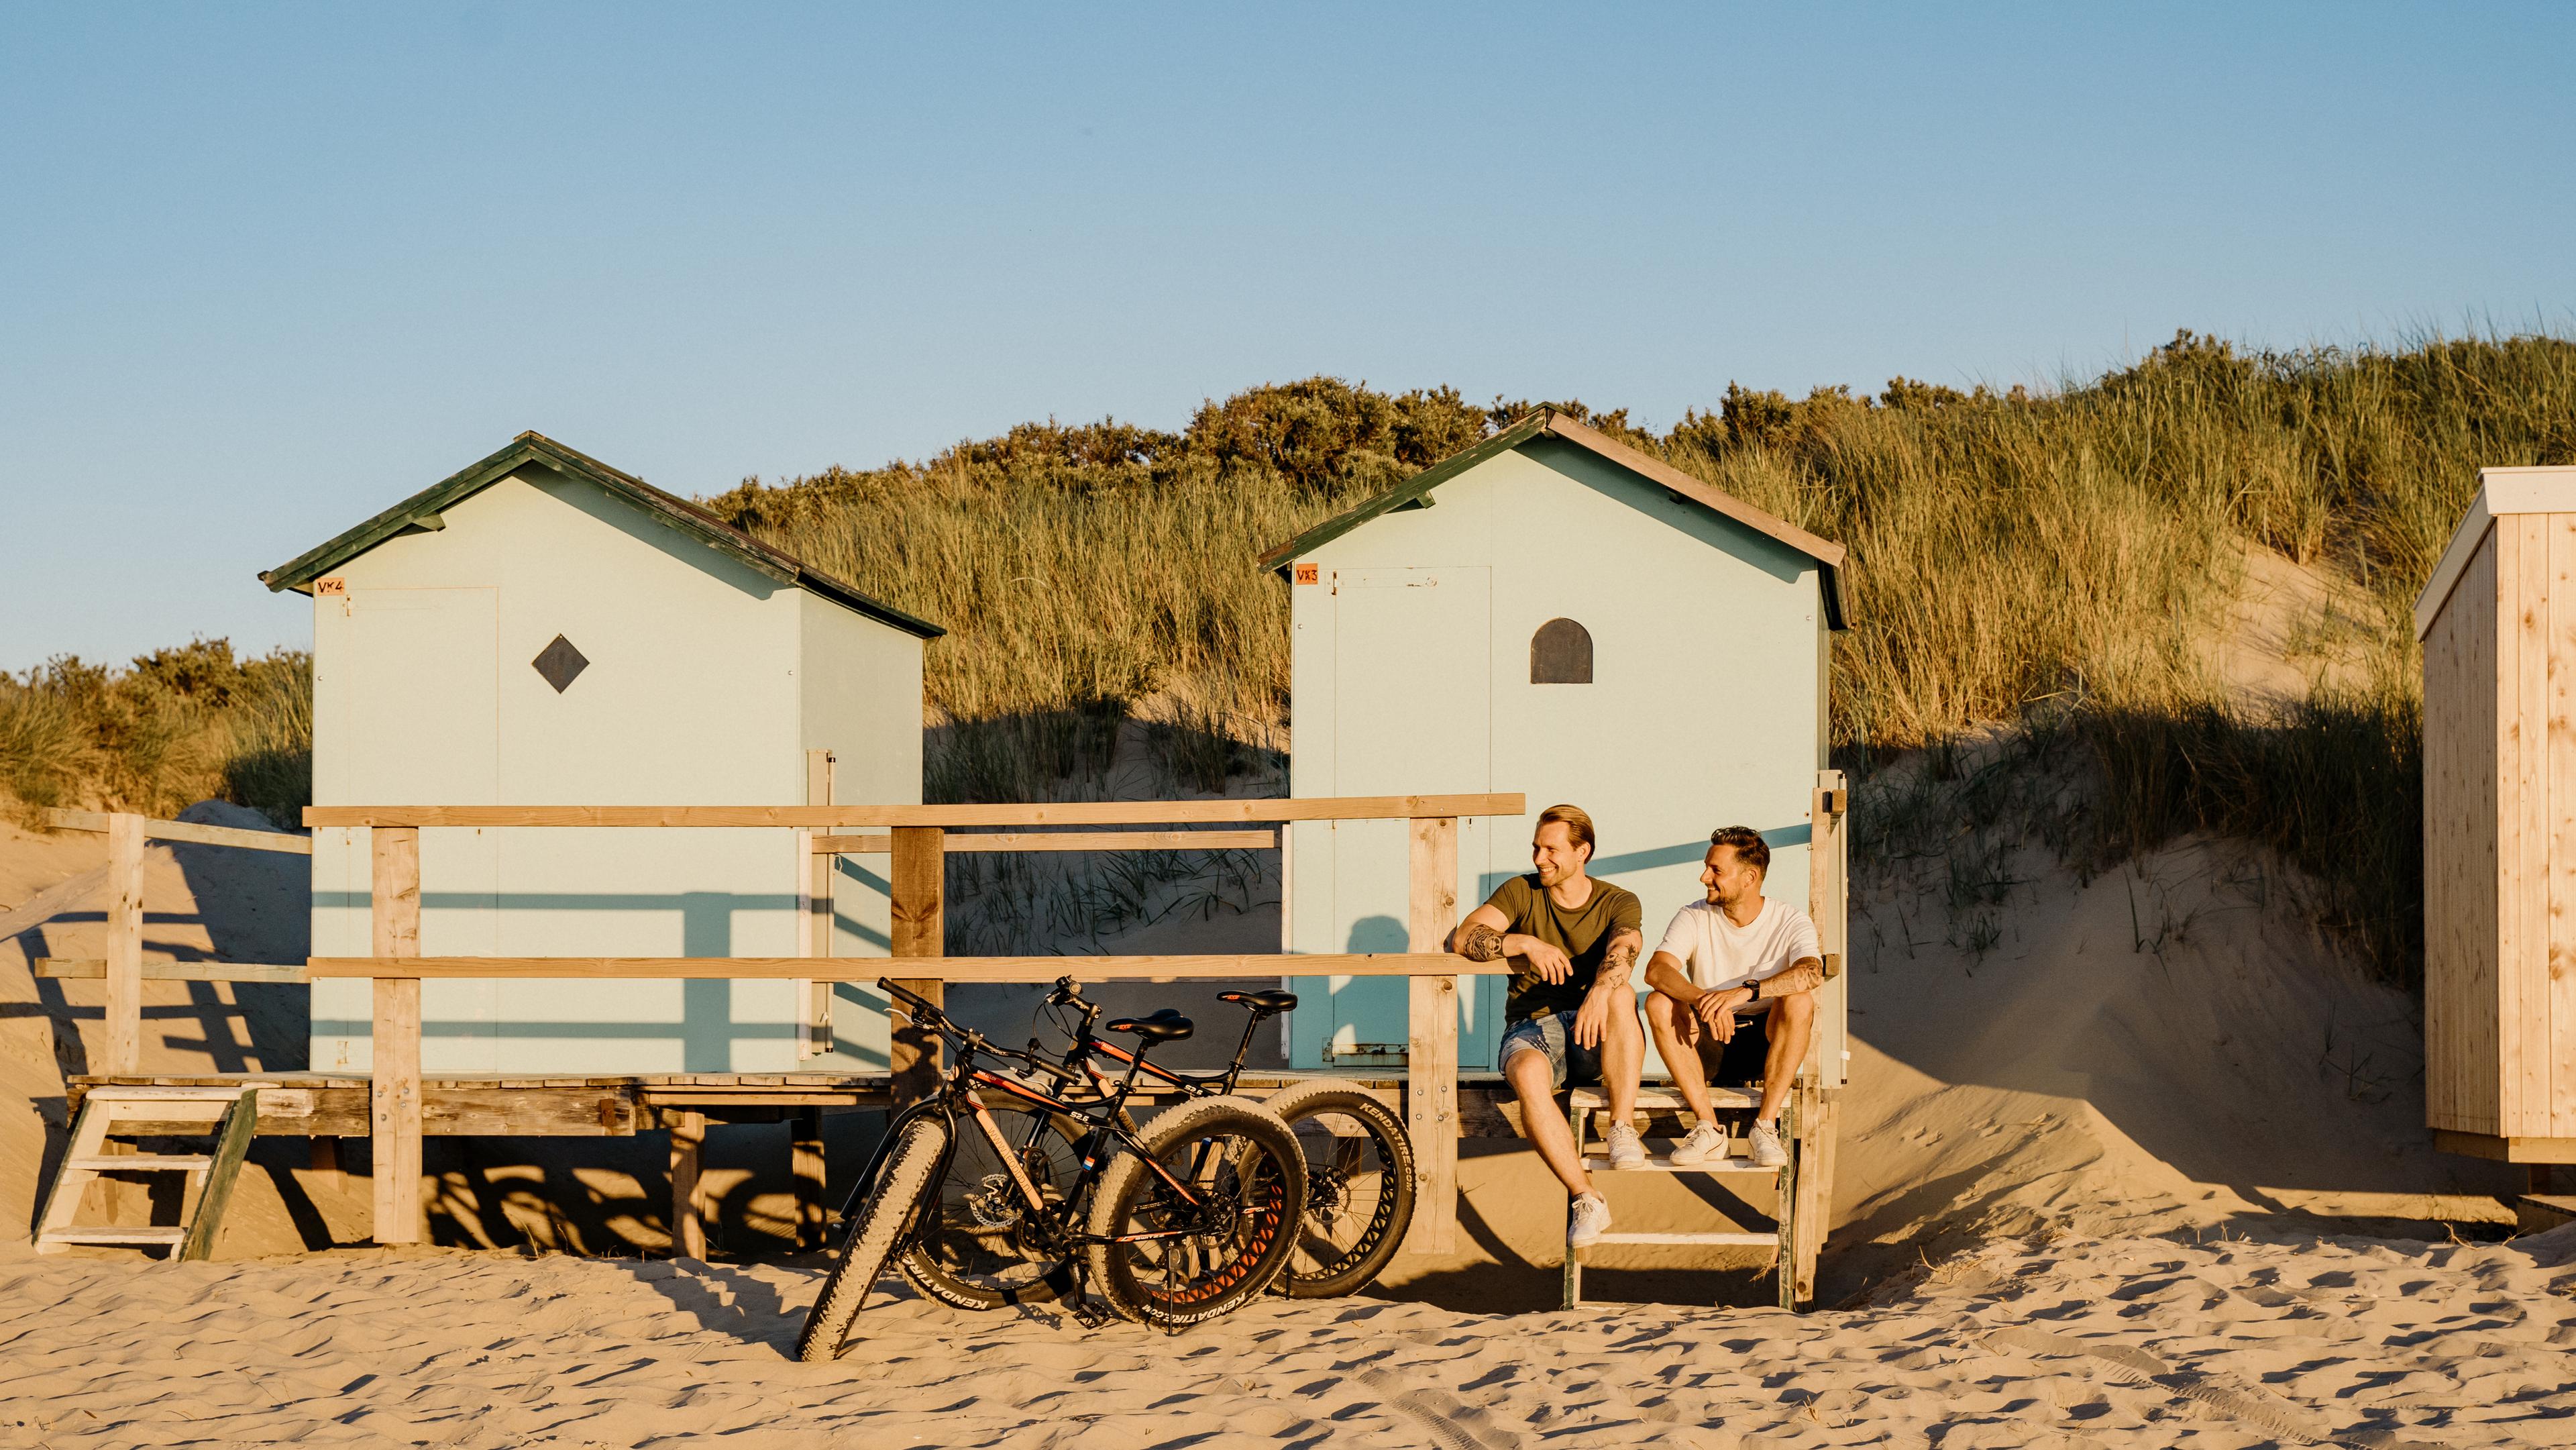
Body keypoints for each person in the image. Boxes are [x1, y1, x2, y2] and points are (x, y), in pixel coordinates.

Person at [1448, 804, 1646, 1250]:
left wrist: (1598, 990)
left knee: (1622, 993)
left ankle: (1622, 1125)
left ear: (1583, 852)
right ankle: (1587, 1198)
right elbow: (1464, 937)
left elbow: (1625, 949)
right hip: (1532, 1027)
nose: (1540, 858)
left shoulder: (1618, 900)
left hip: (1599, 1032)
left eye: (1551, 849)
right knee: (1527, 1073)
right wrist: (1522, 941)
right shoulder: (1521, 891)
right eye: (1537, 847)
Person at [1640, 826, 1824, 1170]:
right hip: (1707, 1039)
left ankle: (1765, 1126)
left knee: (1799, 999)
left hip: (1767, 1044)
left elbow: (1812, 972)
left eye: (1716, 870)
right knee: (1658, 1002)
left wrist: (1746, 992)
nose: (1704, 877)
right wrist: (1704, 999)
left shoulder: (1789, 919)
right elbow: (1656, 971)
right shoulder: (1694, 915)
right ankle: (1708, 1127)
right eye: (1707, 867)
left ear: (1749, 877)